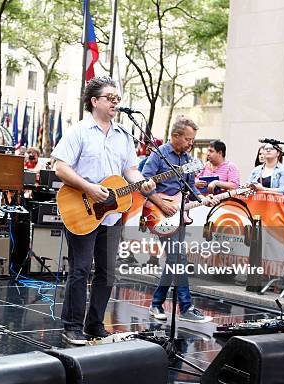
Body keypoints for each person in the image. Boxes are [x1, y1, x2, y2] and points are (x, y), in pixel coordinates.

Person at [51, 76, 156, 345]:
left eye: (117, 98)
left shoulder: (123, 135)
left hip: (112, 214)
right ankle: (72, 326)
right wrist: (88, 188)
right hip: (81, 208)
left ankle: (95, 324)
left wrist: (142, 183)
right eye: (110, 98)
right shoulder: (79, 131)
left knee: (108, 272)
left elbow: (130, 170)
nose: (115, 103)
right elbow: (60, 167)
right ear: (94, 101)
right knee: (81, 269)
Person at [142, 115, 217, 323]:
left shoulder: (187, 159)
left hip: (180, 214)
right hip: (159, 214)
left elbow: (191, 185)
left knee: (174, 260)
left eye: (192, 140)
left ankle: (157, 303)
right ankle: (186, 306)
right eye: (188, 139)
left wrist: (202, 198)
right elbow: (144, 184)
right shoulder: (158, 155)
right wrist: (162, 204)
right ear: (175, 136)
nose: (191, 143)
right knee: (179, 258)